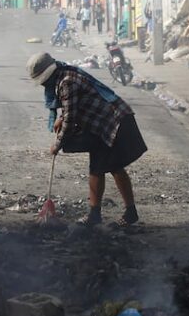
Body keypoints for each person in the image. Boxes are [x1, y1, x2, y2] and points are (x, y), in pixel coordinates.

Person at [28, 52, 147, 227]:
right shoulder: (64, 76)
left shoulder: (66, 82)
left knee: (114, 167)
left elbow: (70, 119)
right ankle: (95, 214)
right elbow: (71, 107)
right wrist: (61, 118)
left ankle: (129, 212)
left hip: (115, 122)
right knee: (97, 168)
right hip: (100, 126)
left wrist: (57, 144)